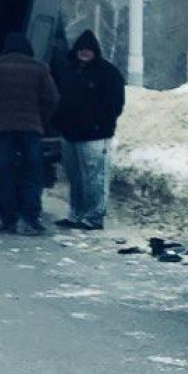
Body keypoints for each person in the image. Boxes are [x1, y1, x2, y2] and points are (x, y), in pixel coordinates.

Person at [0, 33, 60, 235]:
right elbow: (52, 97)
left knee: (5, 174)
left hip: (3, 129)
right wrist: (41, 119)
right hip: (32, 128)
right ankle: (30, 219)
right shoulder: (39, 67)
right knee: (33, 173)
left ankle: (8, 221)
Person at [52, 29, 125, 231]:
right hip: (69, 134)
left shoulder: (107, 73)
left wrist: (101, 124)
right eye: (81, 49)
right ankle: (76, 214)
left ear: (95, 51)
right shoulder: (67, 71)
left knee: (95, 177)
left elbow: (116, 103)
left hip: (95, 135)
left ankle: (94, 216)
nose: (85, 52)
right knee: (74, 177)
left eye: (89, 50)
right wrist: (59, 122)